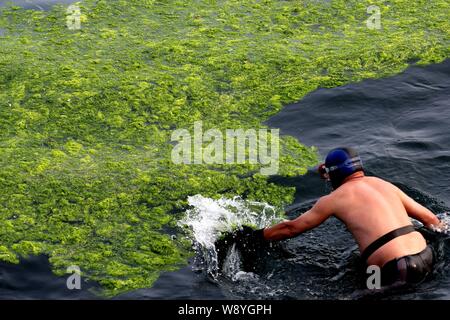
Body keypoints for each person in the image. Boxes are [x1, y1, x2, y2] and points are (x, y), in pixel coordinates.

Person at [235, 147, 442, 286]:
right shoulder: (384, 184)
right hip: (426, 256)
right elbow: (432, 220)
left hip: (397, 269)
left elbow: (291, 229)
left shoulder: (334, 199)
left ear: (331, 174)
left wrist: (254, 236)